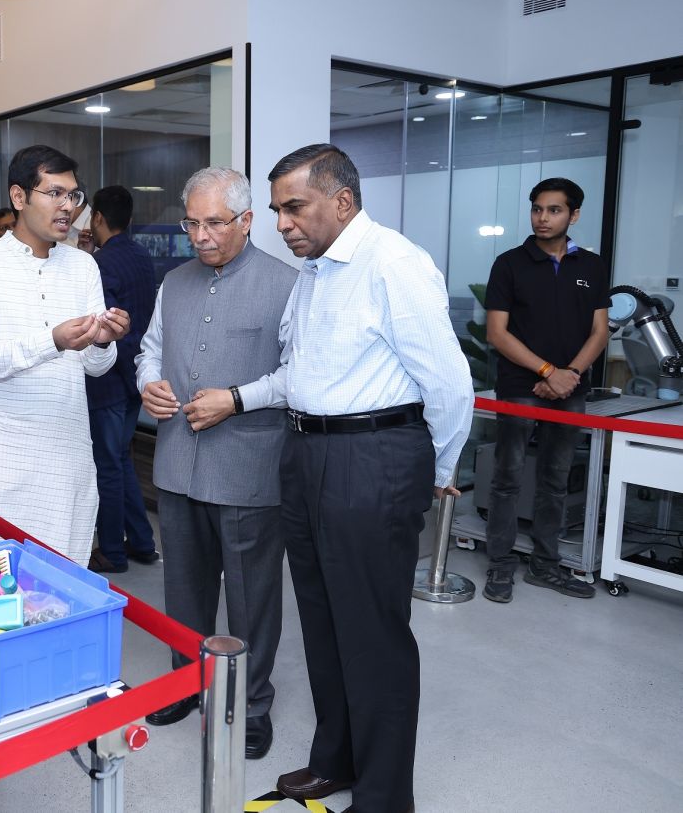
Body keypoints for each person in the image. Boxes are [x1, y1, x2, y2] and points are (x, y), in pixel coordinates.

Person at [236, 144, 473, 813]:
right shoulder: (314, 271)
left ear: (342, 200)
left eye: (294, 207)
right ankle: (335, 759)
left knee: (373, 634)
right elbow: (300, 375)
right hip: (308, 453)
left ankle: (385, 796)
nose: (281, 222)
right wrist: (240, 396)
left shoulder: (392, 263)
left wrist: (440, 469)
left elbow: (450, 386)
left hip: (374, 458)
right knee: (325, 624)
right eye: (278, 208)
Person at [135, 168, 295, 760]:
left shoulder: (286, 284)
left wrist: (237, 398)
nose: (200, 236)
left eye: (214, 223)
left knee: (251, 597)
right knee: (184, 588)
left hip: (248, 468)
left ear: (247, 222)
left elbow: (296, 375)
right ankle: (186, 682)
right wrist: (147, 381)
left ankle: (251, 703)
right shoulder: (172, 281)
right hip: (177, 464)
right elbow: (152, 347)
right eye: (192, 223)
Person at [0, 145, 130, 564]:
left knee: (59, 592)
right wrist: (53, 341)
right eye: (54, 193)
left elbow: (97, 368)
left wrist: (102, 340)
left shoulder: (84, 267)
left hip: (65, 459)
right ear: (19, 197)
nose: (68, 207)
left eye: (74, 195)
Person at [482, 178, 608, 603]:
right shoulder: (510, 263)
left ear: (573, 215)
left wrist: (568, 373)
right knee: (507, 478)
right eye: (537, 209)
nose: (542, 217)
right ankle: (499, 566)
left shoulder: (590, 266)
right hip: (521, 385)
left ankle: (545, 566)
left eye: (553, 210)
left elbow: (600, 330)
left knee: (555, 480)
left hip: (570, 387)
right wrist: (547, 370)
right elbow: (497, 334)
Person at [82, 186, 159, 575]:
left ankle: (112, 550)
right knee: (122, 461)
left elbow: (98, 325)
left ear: (97, 217)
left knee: (108, 466)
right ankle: (142, 542)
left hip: (108, 378)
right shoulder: (141, 255)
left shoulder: (99, 263)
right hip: (135, 376)